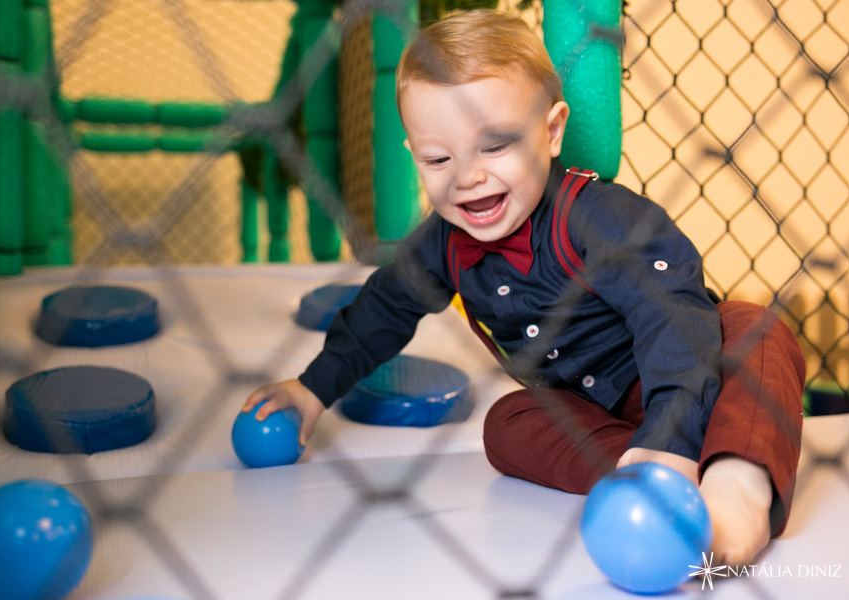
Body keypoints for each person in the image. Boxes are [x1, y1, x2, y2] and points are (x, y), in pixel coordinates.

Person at [243, 9, 805, 567]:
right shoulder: (441, 243)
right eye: (440, 158)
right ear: (415, 156)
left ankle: (737, 487)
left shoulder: (599, 219)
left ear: (552, 131)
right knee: (506, 425)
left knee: (755, 327)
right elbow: (382, 311)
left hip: (691, 376)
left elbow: (673, 322)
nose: (468, 176)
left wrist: (670, 433)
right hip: (588, 416)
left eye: (494, 146)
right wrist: (310, 389)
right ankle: (645, 485)